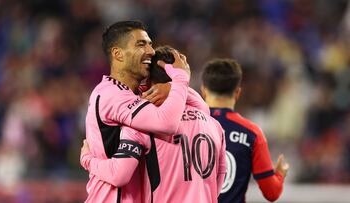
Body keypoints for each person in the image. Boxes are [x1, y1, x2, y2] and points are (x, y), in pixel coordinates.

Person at [81, 45, 227, 203]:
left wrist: (87, 158)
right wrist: (175, 86)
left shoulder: (144, 125)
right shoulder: (214, 125)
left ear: (149, 80)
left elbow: (119, 174)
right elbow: (219, 177)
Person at [84, 20, 192, 202]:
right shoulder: (110, 94)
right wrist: (180, 82)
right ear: (118, 54)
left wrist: (172, 86)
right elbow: (167, 123)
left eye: (150, 44)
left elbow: (202, 108)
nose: (150, 51)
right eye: (141, 44)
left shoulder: (136, 93)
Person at [201, 58, 289, 203]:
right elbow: (271, 192)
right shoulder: (251, 133)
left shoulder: (182, 126)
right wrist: (279, 174)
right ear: (237, 92)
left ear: (203, 90)